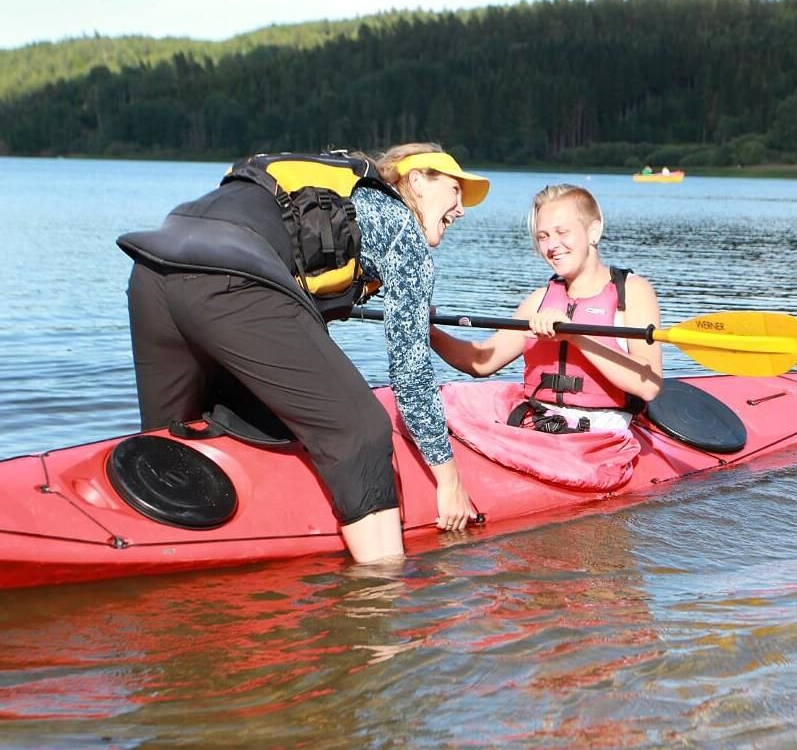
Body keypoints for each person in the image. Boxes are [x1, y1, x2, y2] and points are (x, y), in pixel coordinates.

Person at [116, 143, 489, 564]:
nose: (461, 209)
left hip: (152, 270)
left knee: (172, 443)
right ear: (417, 179)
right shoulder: (403, 229)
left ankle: (149, 563)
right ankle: (379, 602)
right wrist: (448, 477)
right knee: (361, 429)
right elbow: (410, 368)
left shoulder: (342, 195)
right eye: (456, 191)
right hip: (230, 281)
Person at [431, 183, 662, 434]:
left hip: (602, 434)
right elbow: (481, 362)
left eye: (562, 232)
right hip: (539, 425)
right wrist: (428, 331)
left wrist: (575, 336)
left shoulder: (632, 292)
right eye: (543, 236)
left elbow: (648, 385)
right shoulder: (539, 301)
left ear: (593, 232)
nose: (552, 245)